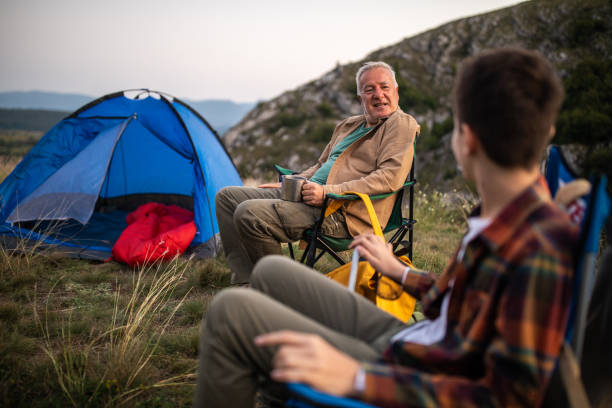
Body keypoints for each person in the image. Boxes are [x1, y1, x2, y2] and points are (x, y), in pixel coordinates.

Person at [195, 48, 577, 407]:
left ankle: (279, 370)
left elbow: (507, 398)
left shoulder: (538, 244)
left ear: (468, 140)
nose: (377, 96)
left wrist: (358, 377)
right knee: (270, 269)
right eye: (369, 90)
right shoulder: (502, 218)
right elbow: (461, 304)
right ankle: (280, 383)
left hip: (409, 368)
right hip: (416, 339)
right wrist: (401, 272)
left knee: (231, 312)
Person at [215, 61, 419, 284]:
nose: (378, 95)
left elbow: (389, 178)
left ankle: (281, 291)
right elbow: (321, 165)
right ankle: (246, 280)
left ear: (396, 92)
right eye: (369, 89)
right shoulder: (348, 126)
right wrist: (291, 182)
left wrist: (327, 192)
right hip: (310, 195)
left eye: (384, 87)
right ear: (361, 98)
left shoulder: (400, 124)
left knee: (249, 214)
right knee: (227, 198)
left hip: (343, 211)